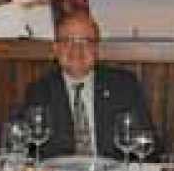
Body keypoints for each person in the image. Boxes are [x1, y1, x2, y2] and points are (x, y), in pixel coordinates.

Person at [22, 12, 152, 160]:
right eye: (67, 41)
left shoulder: (124, 85)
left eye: (86, 41)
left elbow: (145, 142)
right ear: (56, 49)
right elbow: (27, 148)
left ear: (96, 49)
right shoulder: (39, 91)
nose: (77, 49)